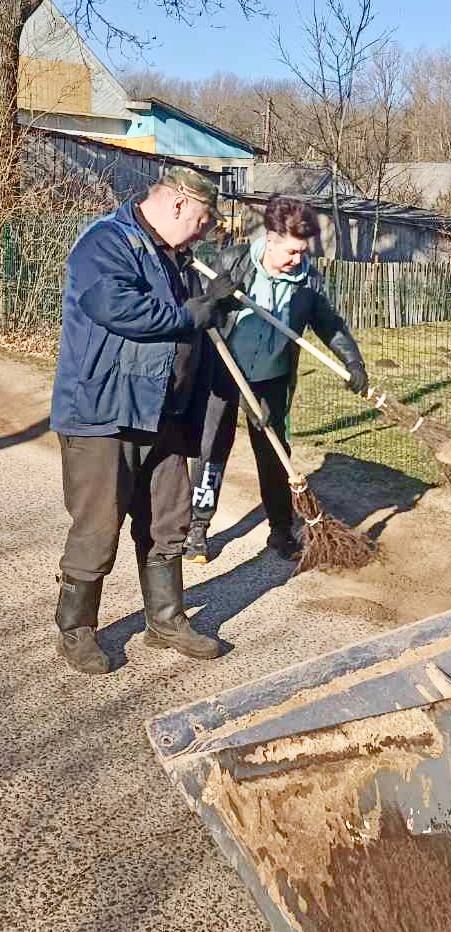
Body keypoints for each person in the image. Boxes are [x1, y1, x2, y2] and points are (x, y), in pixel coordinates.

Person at [51, 166, 244, 675]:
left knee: (169, 519)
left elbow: (194, 330)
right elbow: (121, 309)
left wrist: (214, 307)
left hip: (161, 412)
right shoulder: (106, 243)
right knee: (98, 525)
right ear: (178, 203)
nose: (206, 231)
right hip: (103, 412)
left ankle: (165, 619)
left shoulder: (178, 257)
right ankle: (75, 630)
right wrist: (194, 313)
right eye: (204, 219)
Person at [184, 195, 369, 563]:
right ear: (270, 237)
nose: (297, 259)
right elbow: (202, 314)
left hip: (272, 377)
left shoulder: (306, 281)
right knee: (211, 448)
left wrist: (352, 361)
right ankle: (197, 528)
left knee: (273, 452)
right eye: (291, 252)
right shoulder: (233, 262)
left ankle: (280, 530)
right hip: (225, 369)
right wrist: (215, 299)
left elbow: (329, 324)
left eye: (302, 252)